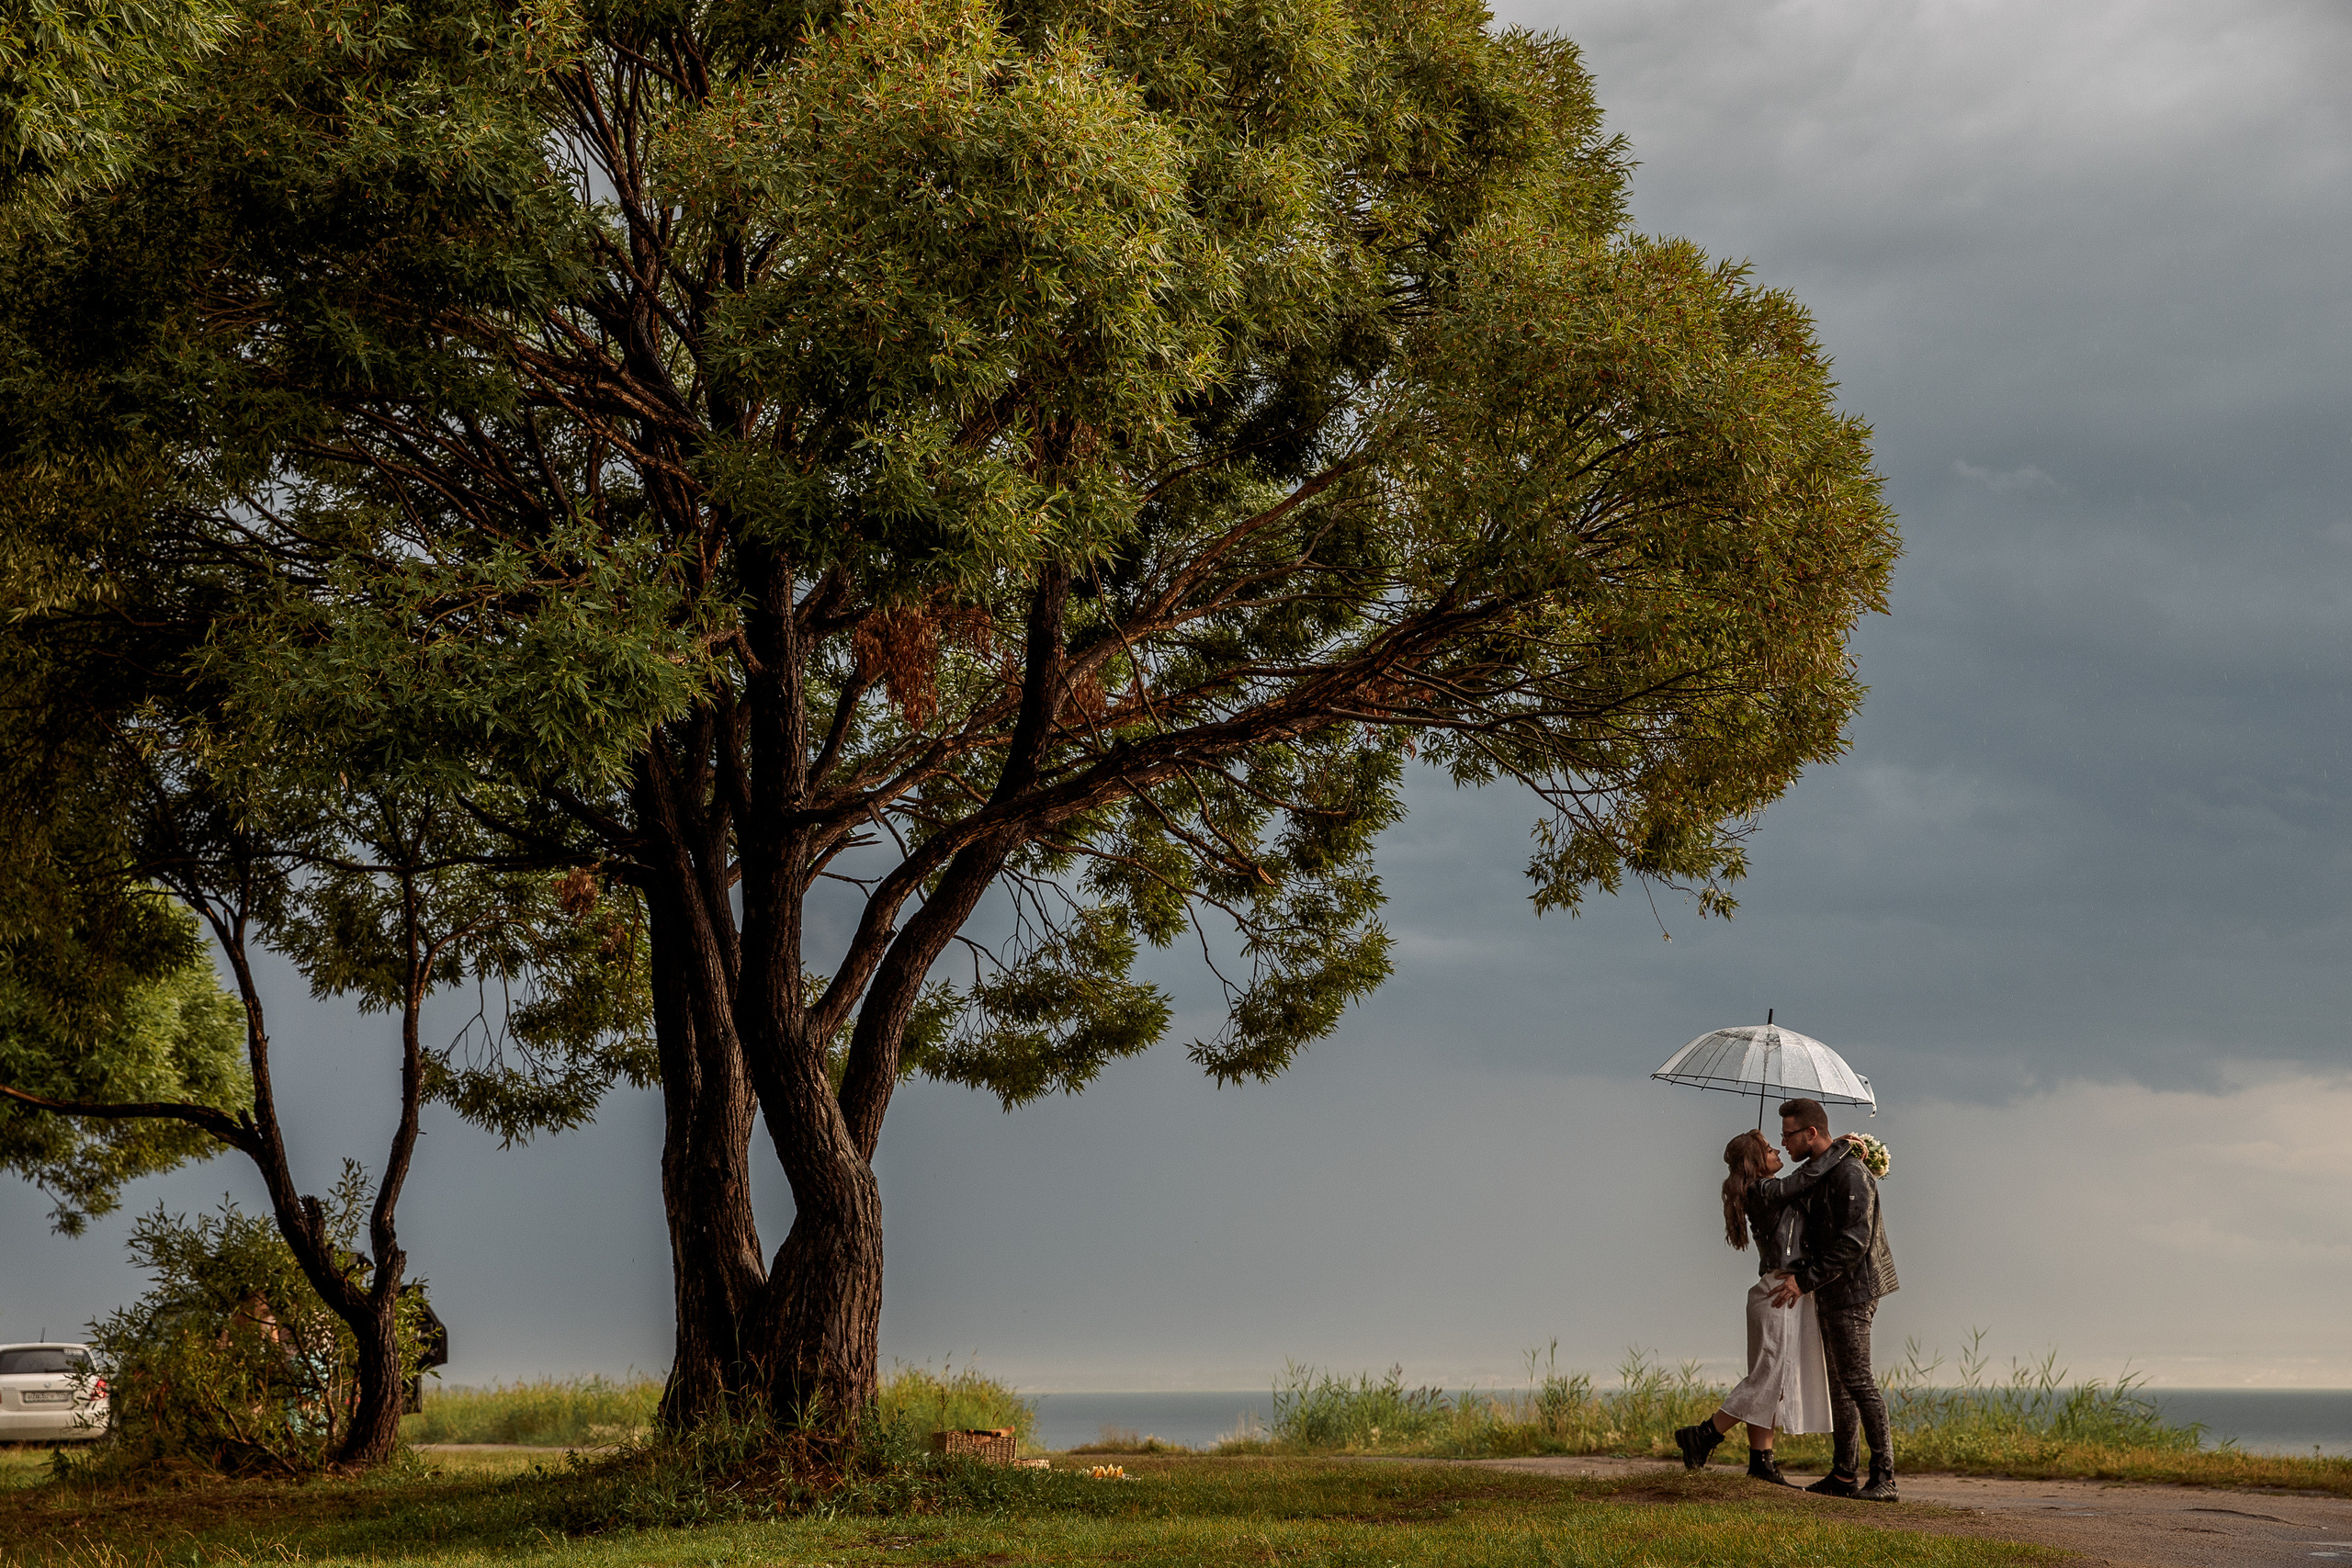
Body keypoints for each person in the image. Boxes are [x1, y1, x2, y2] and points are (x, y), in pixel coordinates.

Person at [1672, 1126, 1859, 1483]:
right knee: (1768, 1379)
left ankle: (1761, 1461)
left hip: (1781, 1292)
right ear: (1755, 1161)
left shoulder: (1769, 1191)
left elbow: (1804, 1185)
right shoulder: (1761, 1190)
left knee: (1773, 1379)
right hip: (1778, 1292)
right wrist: (1839, 1148)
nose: (1778, 1152)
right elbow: (1804, 1178)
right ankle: (1704, 1434)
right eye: (1770, 1149)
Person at [1772, 1096, 1899, 1501]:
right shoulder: (1824, 1169)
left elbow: (1854, 1242)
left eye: (1788, 1135)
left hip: (1853, 1291)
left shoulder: (1850, 1174)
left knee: (1858, 1381)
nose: (1784, 1142)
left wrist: (1803, 1282)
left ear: (1811, 1133)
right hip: (1833, 1289)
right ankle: (1844, 1475)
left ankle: (1884, 1478)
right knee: (1842, 1385)